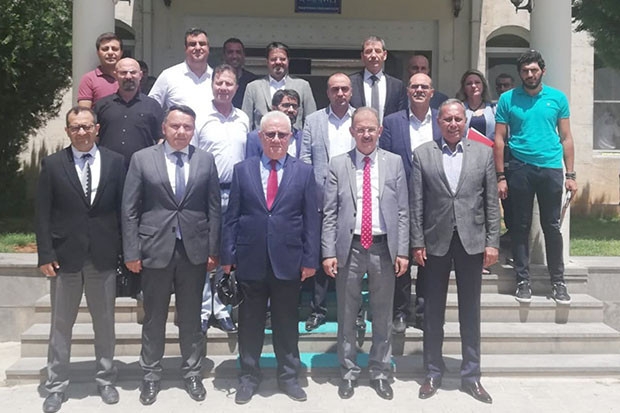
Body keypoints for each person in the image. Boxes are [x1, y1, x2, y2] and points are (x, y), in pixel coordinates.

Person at [122, 105, 221, 405]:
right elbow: (129, 209)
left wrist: (213, 250)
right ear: (164, 128)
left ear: (193, 130)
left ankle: (192, 372)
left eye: (187, 127)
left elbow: (214, 209)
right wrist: (131, 251)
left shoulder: (205, 160)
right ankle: (151, 375)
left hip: (193, 251)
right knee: (154, 317)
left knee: (191, 317)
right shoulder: (142, 159)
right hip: (154, 249)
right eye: (175, 126)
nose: (181, 132)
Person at [221, 111, 320, 405]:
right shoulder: (243, 170)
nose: (276, 139)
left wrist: (310, 259)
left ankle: (288, 376)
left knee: (286, 323)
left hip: (288, 260)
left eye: (282, 134)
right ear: (260, 137)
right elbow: (232, 217)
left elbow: (310, 219)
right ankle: (248, 377)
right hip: (250, 258)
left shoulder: (304, 172)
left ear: (291, 137)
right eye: (270, 134)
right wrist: (228, 255)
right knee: (249, 323)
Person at [36, 106, 126, 413]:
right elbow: (42, 214)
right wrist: (45, 253)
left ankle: (106, 379)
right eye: (75, 127)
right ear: (67, 131)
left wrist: (125, 250)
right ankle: (56, 386)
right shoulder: (52, 165)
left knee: (105, 323)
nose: (82, 132)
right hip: (65, 258)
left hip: (103, 255)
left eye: (87, 126)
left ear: (97, 129)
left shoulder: (116, 162)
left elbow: (123, 210)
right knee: (61, 325)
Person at [411, 99, 499, 404]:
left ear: (465, 122)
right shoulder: (423, 154)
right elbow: (417, 203)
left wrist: (492, 242)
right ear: (438, 122)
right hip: (434, 243)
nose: (452, 124)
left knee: (470, 312)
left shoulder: (483, 153)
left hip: (471, 242)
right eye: (447, 119)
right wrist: (417, 242)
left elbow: (490, 202)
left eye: (458, 119)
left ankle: (471, 376)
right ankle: (432, 372)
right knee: (432, 312)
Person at [322, 107, 409, 400]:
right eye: (360, 129)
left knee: (382, 315)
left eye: (371, 129)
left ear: (380, 131)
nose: (366, 134)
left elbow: (403, 211)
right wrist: (328, 252)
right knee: (347, 313)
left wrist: (403, 250)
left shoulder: (394, 163)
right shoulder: (338, 164)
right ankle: (348, 372)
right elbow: (330, 213)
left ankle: (380, 372)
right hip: (350, 247)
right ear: (352, 132)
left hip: (384, 248)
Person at [494, 50, 578, 305]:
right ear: (520, 74)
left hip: (551, 168)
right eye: (525, 71)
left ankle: (558, 281)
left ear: (542, 71)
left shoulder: (557, 98)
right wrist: (501, 176)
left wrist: (570, 174)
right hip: (520, 167)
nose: (530, 74)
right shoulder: (508, 99)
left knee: (551, 226)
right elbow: (499, 139)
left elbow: (566, 137)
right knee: (520, 226)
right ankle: (522, 280)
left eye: (534, 70)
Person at [380, 72, 443, 333]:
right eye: (414, 86)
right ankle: (400, 312)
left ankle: (424, 312)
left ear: (432, 92)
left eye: (424, 87)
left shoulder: (441, 120)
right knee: (401, 258)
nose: (419, 90)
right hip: (400, 200)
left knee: (430, 259)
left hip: (435, 201)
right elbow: (383, 159)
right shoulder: (392, 122)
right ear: (407, 91)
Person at [194, 64, 251, 333]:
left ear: (236, 88)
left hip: (237, 193)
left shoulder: (243, 119)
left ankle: (222, 308)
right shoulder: (200, 117)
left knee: (228, 251)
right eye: (219, 83)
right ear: (212, 85)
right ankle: (204, 310)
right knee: (209, 253)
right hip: (208, 193)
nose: (224, 88)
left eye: (229, 84)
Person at [300, 73, 356, 331]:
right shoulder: (313, 120)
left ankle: (355, 312)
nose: (340, 93)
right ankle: (318, 310)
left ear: (351, 91)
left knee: (354, 256)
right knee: (323, 252)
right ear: (328, 92)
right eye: (335, 89)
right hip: (321, 197)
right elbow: (305, 158)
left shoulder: (360, 118)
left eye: (344, 89)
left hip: (354, 196)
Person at [94, 58, 164, 169]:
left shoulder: (152, 106)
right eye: (123, 73)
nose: (128, 76)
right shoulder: (101, 105)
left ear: (140, 75)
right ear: (115, 75)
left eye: (133, 72)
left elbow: (161, 138)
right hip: (108, 169)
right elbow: (94, 138)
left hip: (143, 168)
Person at [242, 42, 317, 130]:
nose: (278, 62)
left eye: (282, 59)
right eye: (273, 59)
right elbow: (246, 122)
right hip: (261, 138)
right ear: (267, 62)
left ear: (288, 61)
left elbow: (312, 121)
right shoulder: (253, 87)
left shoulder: (303, 86)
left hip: (294, 137)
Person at [149, 28, 214, 119]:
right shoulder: (168, 76)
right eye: (192, 44)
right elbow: (150, 109)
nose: (198, 48)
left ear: (208, 48)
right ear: (185, 49)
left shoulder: (217, 79)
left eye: (202, 44)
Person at [350, 36, 407, 121]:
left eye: (377, 51)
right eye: (368, 51)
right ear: (362, 56)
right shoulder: (350, 83)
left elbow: (401, 116)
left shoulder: (397, 86)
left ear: (384, 55)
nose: (373, 55)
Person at [246, 89, 303, 158]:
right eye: (286, 105)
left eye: (294, 106)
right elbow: (251, 163)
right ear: (274, 108)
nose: (291, 110)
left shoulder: (302, 138)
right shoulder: (256, 137)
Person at [494, 73, 515, 242]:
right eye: (499, 85)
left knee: (513, 200)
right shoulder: (492, 108)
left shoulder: (516, 107)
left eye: (506, 85)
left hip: (515, 159)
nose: (502, 88)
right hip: (496, 159)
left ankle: (512, 232)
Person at [77, 32, 123, 108]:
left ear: (121, 53)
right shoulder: (89, 79)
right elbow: (84, 112)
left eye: (115, 49)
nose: (110, 52)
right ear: (98, 53)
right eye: (105, 49)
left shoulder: (129, 77)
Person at [456, 69, 496, 142]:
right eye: (469, 83)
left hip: (489, 148)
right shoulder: (458, 109)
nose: (473, 86)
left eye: (477, 82)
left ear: (483, 86)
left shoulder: (494, 109)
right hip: (465, 148)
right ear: (464, 88)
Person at [222, 38, 259, 109]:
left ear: (243, 55)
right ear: (224, 55)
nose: (234, 56)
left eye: (238, 52)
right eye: (230, 52)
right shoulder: (217, 81)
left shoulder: (253, 81)